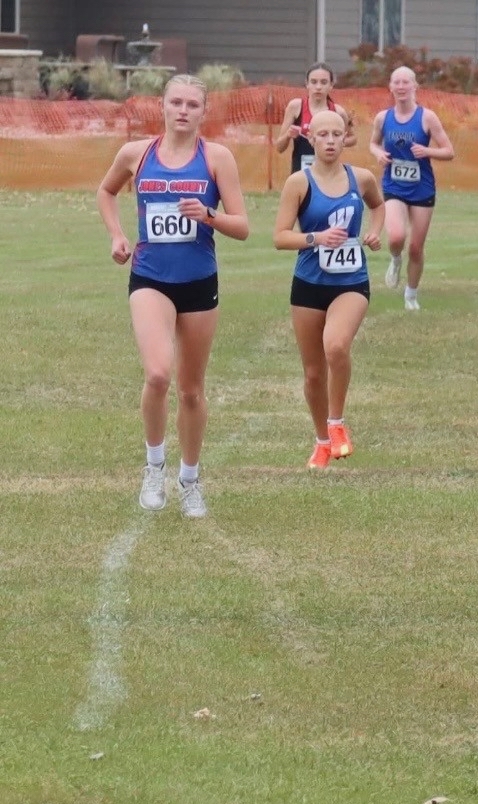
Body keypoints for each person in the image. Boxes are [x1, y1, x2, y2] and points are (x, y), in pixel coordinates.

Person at [96, 75, 249, 517]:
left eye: (192, 104)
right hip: (150, 277)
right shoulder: (136, 153)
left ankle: (190, 479)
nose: (183, 111)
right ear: (162, 106)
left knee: (191, 390)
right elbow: (106, 191)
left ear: (204, 111)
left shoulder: (217, 158)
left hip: (199, 281)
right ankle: (154, 467)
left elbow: (242, 226)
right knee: (158, 374)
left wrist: (209, 215)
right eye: (176, 102)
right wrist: (117, 235)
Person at [273, 112, 386, 469]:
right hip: (309, 283)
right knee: (313, 372)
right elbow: (280, 237)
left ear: (345, 137)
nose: (331, 141)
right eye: (323, 134)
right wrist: (316, 238)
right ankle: (322, 442)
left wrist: (374, 232)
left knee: (336, 345)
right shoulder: (298, 183)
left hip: (351, 281)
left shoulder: (361, 178)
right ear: (310, 138)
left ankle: (336, 424)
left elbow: (378, 205)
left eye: (337, 134)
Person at [369, 66, 455, 310]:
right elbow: (373, 143)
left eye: (406, 82)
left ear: (415, 86)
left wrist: (427, 151)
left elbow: (449, 151)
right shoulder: (383, 118)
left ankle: (411, 295)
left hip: (421, 188)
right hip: (393, 185)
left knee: (416, 248)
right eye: (396, 82)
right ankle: (396, 258)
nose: (401, 86)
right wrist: (378, 154)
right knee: (396, 236)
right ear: (390, 87)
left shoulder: (427, 117)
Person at [274, 63, 356, 176]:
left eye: (324, 82)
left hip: (329, 173)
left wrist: (335, 142)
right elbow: (279, 148)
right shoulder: (296, 107)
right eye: (313, 82)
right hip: (301, 173)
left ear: (331, 85)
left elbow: (352, 138)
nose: (318, 87)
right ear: (307, 84)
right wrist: (288, 135)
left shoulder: (338, 111)